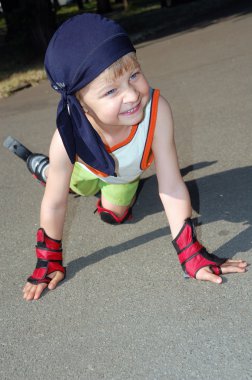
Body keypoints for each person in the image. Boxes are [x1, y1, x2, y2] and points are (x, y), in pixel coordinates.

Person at [4, 14, 247, 301]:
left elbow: (170, 185)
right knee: (69, 184)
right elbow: (55, 204)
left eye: (134, 75)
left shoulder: (156, 111)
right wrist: (49, 259)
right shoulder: (67, 137)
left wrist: (190, 254)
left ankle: (96, 185)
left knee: (114, 215)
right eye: (110, 91)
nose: (132, 95)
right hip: (86, 168)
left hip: (123, 176)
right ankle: (43, 168)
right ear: (80, 104)